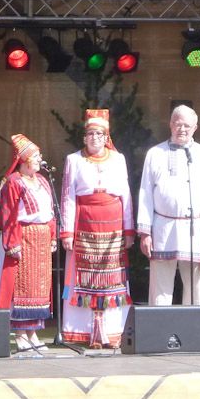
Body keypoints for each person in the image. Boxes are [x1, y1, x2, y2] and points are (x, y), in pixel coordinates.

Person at [60, 109, 135, 349]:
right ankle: (84, 332)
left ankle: (112, 332)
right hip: (85, 223)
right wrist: (67, 232)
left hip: (113, 225)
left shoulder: (118, 159)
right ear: (84, 137)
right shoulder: (74, 160)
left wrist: (129, 230)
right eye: (91, 134)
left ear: (106, 137)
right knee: (85, 278)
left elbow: (126, 195)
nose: (95, 138)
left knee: (113, 279)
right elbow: (68, 196)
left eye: (100, 134)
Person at [137, 104, 200, 305]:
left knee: (196, 288)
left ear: (195, 127)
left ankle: (194, 326)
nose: (182, 129)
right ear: (170, 124)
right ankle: (160, 325)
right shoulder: (155, 154)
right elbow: (145, 194)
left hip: (195, 229)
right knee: (160, 287)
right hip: (163, 228)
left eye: (187, 125)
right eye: (178, 124)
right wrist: (145, 233)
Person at [0, 134, 57, 353]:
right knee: (22, 288)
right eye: (36, 155)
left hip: (41, 239)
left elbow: (50, 212)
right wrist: (12, 243)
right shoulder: (14, 182)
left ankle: (33, 333)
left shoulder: (43, 181)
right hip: (24, 237)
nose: (40, 159)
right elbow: (8, 214)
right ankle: (20, 333)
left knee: (39, 288)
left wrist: (52, 236)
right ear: (24, 159)